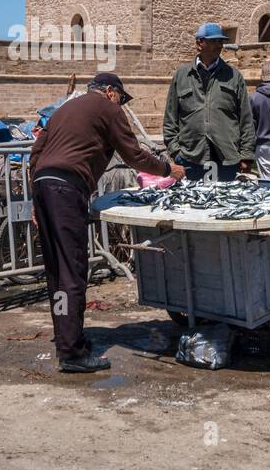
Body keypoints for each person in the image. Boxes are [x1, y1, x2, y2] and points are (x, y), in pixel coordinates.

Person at [32, 73, 185, 372]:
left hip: (44, 185)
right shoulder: (108, 109)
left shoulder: (65, 108)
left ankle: (67, 338)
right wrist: (169, 169)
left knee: (56, 270)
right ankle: (73, 354)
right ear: (111, 92)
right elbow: (133, 155)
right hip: (66, 188)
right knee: (73, 270)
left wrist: (35, 201)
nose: (122, 106)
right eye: (121, 99)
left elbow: (36, 152)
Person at [162, 23, 256, 181]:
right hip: (190, 158)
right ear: (199, 44)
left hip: (227, 158)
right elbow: (170, 118)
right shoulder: (182, 76)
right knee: (191, 204)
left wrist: (246, 155)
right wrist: (176, 152)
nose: (219, 45)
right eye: (214, 41)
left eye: (221, 41)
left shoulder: (234, 76)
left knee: (226, 204)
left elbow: (246, 119)